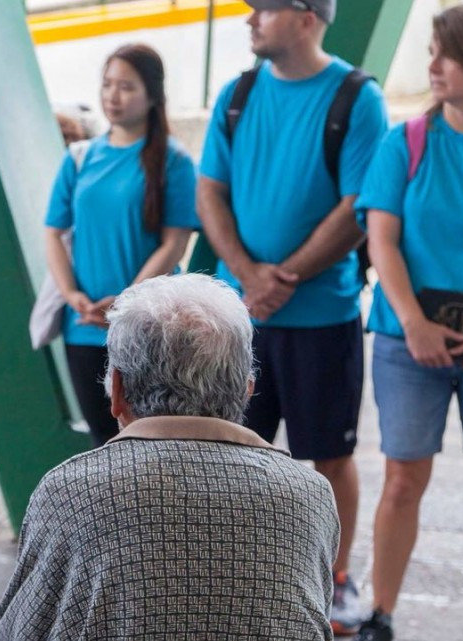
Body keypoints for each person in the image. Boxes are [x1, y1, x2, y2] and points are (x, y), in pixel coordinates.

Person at [0, 274, 340, 640]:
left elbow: (21, 629)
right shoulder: (310, 495)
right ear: (246, 392)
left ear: (116, 390)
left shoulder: (67, 491)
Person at [195, 1, 387, 632]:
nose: (251, 20)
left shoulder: (357, 97)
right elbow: (210, 193)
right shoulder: (237, 94)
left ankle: (333, 579)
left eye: (266, 9)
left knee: (328, 456)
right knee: (225, 454)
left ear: (307, 17)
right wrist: (251, 278)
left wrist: (287, 277)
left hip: (321, 317)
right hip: (237, 318)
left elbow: (360, 205)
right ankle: (234, 574)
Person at [352, 7, 463, 640]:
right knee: (402, 481)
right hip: (407, 342)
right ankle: (382, 613)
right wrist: (415, 323)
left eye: (445, 54)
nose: (432, 67)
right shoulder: (407, 142)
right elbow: (382, 243)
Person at [44, 44, 198, 446]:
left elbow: (174, 243)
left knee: (156, 442)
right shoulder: (79, 158)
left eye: (126, 86)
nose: (113, 95)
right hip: (85, 328)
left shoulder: (174, 162)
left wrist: (128, 302)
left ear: (152, 95)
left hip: (150, 327)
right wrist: (73, 296)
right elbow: (54, 234)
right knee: (104, 446)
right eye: (107, 84)